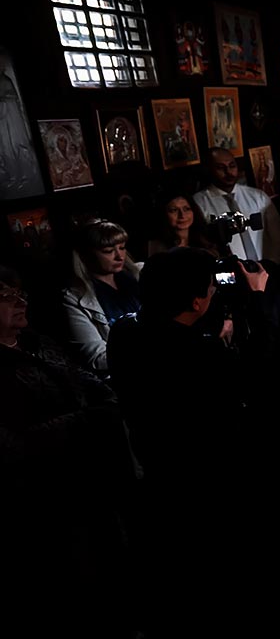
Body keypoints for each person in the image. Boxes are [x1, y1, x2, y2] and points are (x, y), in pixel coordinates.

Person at [106, 247, 276, 636]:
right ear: (197, 300)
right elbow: (256, 374)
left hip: (158, 483)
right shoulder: (202, 354)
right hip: (209, 488)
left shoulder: (124, 333)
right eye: (211, 291)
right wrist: (259, 301)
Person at [1, 265, 139, 635]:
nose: (19, 301)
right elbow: (12, 442)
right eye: (6, 297)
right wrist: (83, 421)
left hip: (93, 475)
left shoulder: (39, 342)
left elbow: (89, 381)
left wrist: (103, 406)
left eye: (19, 293)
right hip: (44, 495)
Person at [61, 218, 142, 375]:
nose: (119, 256)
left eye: (122, 247)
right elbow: (96, 356)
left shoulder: (140, 275)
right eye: (108, 251)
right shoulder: (74, 298)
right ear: (87, 254)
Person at [192, 147, 280, 265]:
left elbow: (278, 237)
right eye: (221, 168)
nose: (228, 172)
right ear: (209, 169)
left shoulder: (258, 197)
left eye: (232, 166)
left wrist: (271, 264)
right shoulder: (200, 202)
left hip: (263, 270)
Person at [147, 188, 218, 256]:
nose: (182, 215)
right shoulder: (155, 247)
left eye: (186, 209)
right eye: (174, 210)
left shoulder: (207, 242)